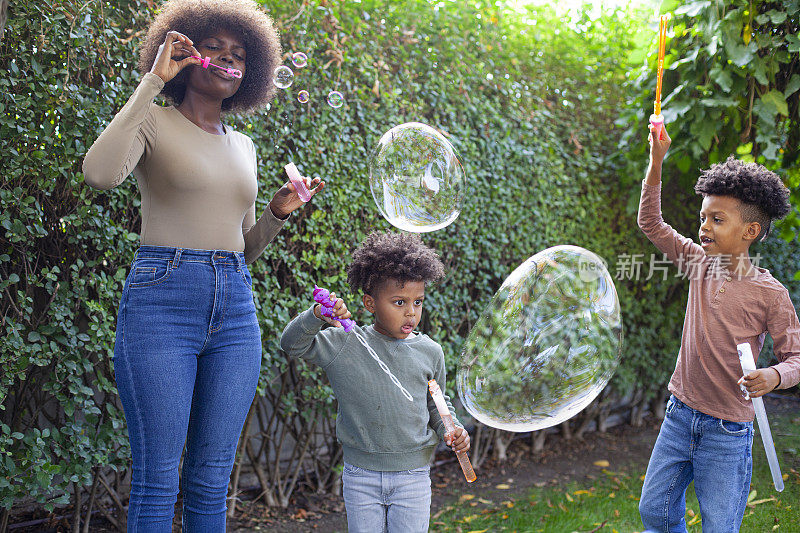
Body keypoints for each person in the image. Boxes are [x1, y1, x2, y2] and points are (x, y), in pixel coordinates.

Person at [81, 1, 323, 530]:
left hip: (235, 308)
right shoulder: (156, 123)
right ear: (186, 51)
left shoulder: (247, 147)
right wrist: (151, 82)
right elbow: (100, 174)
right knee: (157, 478)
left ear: (251, 71)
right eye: (213, 46)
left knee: (213, 479)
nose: (227, 59)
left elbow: (241, 248)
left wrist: (277, 214)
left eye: (238, 53)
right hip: (161, 301)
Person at [637, 124, 800, 532]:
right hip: (679, 414)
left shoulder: (770, 294)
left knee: (719, 524)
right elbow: (651, 222)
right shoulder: (698, 262)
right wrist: (656, 162)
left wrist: (774, 375)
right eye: (702, 217)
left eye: (717, 219)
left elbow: (796, 357)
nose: (703, 226)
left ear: (749, 232)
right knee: (654, 511)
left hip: (728, 431)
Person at [280, 231, 470, 533]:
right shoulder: (345, 342)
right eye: (399, 302)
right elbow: (291, 344)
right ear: (370, 303)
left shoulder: (430, 352)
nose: (411, 312)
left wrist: (453, 429)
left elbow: (438, 404)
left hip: (413, 476)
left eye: (418, 301)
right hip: (361, 476)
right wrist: (317, 314)